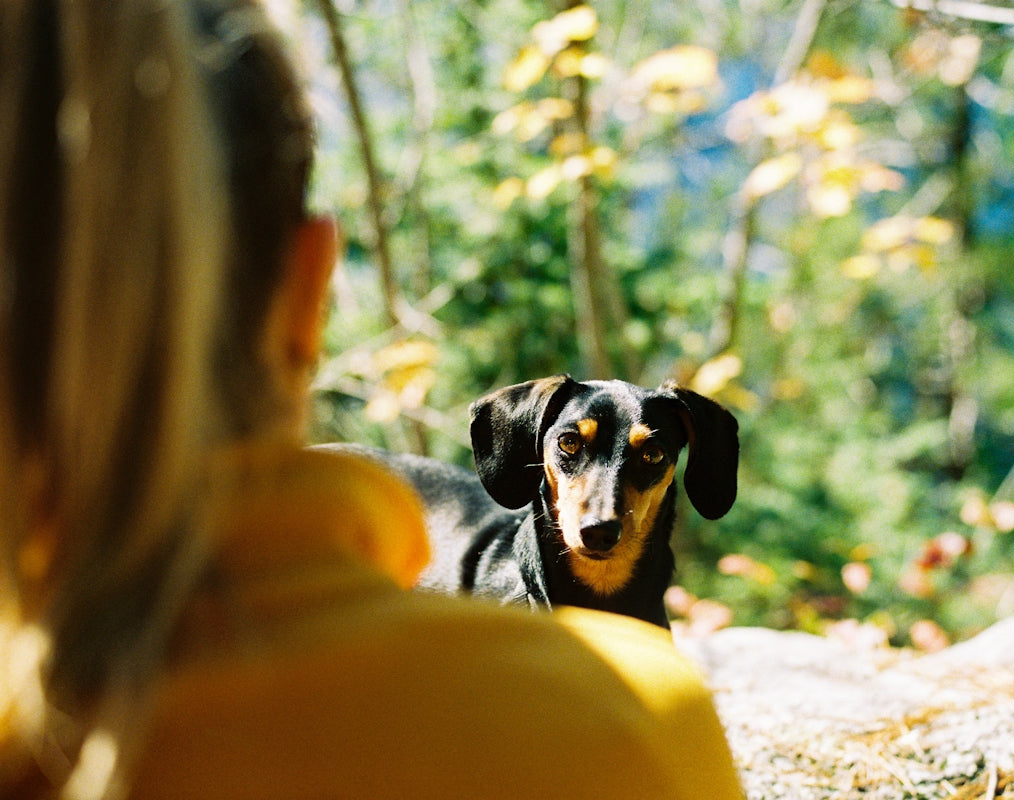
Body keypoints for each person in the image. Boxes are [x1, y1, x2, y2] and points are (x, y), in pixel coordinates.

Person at [0, 1, 745, 799]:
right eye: (573, 451)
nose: (604, 505)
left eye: (642, 465)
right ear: (311, 284)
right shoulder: (630, 725)